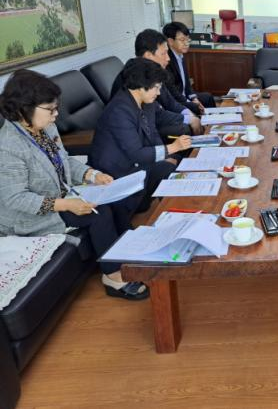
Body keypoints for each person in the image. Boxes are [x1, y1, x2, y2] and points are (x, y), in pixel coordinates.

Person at [0, 70, 148, 301]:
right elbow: (15, 199)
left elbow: (64, 160)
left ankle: (125, 252)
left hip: (63, 193)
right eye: (50, 109)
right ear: (23, 108)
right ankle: (113, 277)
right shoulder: (9, 146)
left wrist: (92, 174)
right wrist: (67, 204)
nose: (56, 115)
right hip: (30, 215)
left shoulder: (45, 127)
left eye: (56, 108)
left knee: (115, 198)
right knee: (98, 213)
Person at [90, 58, 192, 212]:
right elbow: (136, 154)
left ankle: (176, 208)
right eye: (156, 88)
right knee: (168, 168)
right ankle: (169, 212)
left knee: (177, 161)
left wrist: (166, 154)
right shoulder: (119, 111)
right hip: (118, 175)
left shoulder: (146, 103)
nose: (158, 93)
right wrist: (172, 148)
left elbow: (153, 132)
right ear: (141, 86)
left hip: (137, 165)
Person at [110, 29, 203, 138]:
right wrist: (188, 119)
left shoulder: (152, 71)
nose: (168, 58)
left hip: (154, 120)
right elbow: (155, 115)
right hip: (139, 130)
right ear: (148, 56)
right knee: (183, 127)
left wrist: (189, 114)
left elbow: (169, 102)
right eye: (163, 53)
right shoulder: (134, 77)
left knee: (193, 115)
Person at [163, 21, 216, 114]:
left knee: (208, 97)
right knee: (195, 107)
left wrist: (194, 98)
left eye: (188, 39)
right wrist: (189, 102)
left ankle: (213, 120)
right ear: (170, 41)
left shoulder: (180, 55)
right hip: (175, 100)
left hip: (185, 96)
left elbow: (187, 84)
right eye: (182, 40)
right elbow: (172, 91)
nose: (187, 43)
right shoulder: (167, 60)